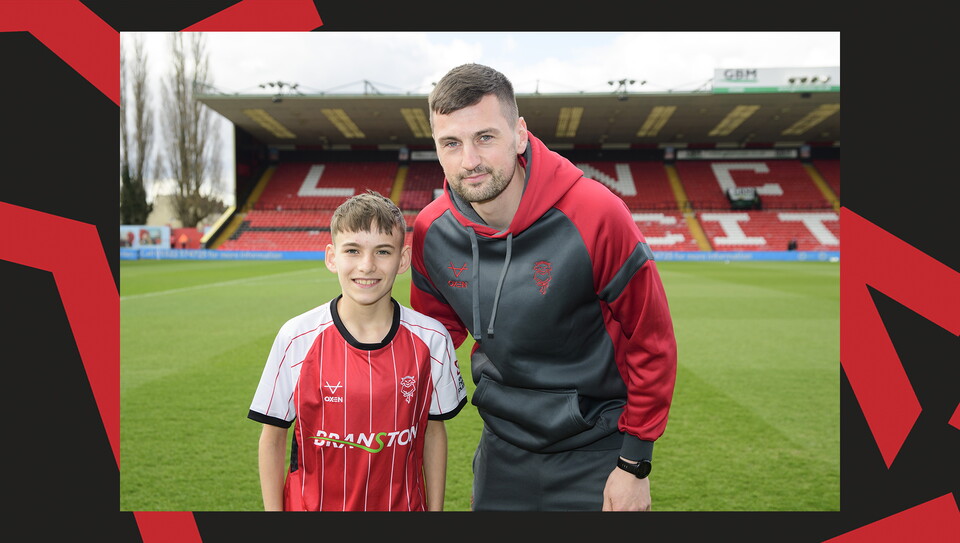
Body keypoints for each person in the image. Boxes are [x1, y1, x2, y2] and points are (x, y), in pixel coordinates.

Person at [410, 63, 678, 511]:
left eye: (485, 137)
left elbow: (650, 342)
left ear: (520, 134)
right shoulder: (431, 231)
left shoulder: (597, 214)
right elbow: (429, 341)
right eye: (451, 143)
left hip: (597, 451)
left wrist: (634, 464)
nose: (469, 161)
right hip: (501, 452)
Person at [248, 190, 467, 511]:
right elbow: (272, 437)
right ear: (331, 257)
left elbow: (433, 431)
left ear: (403, 259)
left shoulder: (432, 339)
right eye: (352, 250)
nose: (367, 265)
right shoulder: (296, 337)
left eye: (383, 251)